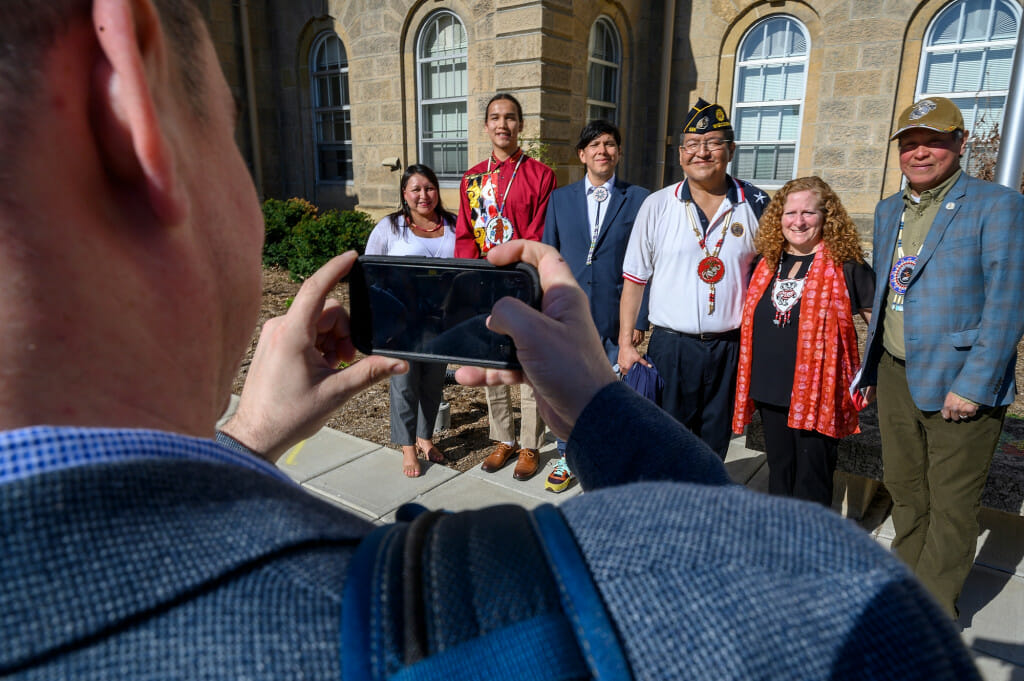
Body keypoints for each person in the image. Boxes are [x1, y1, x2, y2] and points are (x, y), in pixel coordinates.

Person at [0, 5, 983, 678]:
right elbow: (777, 576)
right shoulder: (472, 611)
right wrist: (601, 408)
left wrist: (238, 447)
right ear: (126, 98)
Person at [858, 96, 1024, 619]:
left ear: (959, 143)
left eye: (932, 141)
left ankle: (932, 616)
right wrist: (871, 367)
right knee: (906, 491)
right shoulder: (890, 210)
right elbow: (889, 292)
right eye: (910, 144)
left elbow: (1008, 301)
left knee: (951, 506)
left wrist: (975, 384)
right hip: (894, 372)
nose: (920, 153)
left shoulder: (996, 205)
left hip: (959, 381)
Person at [619, 98, 768, 458]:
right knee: (664, 438)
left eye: (714, 143)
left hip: (729, 348)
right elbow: (634, 281)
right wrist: (626, 343)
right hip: (671, 348)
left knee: (715, 442)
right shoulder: (657, 205)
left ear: (730, 150)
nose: (703, 152)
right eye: (692, 145)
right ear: (681, 154)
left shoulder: (758, 203)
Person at [731, 177, 874, 507]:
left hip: (819, 391)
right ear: (778, 217)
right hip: (770, 387)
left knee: (813, 474)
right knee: (780, 470)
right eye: (790, 212)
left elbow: (878, 324)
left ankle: (810, 544)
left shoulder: (847, 265)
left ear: (827, 216)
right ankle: (781, 539)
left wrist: (872, 374)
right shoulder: (765, 263)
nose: (798, 221)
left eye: (809, 212)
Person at [541, 119, 649, 492]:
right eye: (595, 145)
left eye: (610, 144)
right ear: (582, 155)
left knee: (610, 389)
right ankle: (566, 455)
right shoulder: (560, 199)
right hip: (567, 313)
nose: (603, 150)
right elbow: (548, 256)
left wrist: (640, 318)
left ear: (618, 152)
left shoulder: (640, 199)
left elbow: (651, 262)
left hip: (616, 314)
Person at [454, 92, 557, 480]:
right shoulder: (472, 179)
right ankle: (503, 438)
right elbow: (465, 236)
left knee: (528, 366)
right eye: (495, 117)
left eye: (510, 118)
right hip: (483, 287)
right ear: (485, 126)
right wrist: (470, 281)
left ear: (521, 125)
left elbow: (538, 233)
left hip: (523, 284)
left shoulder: (541, 175)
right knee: (492, 363)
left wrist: (517, 275)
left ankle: (530, 443)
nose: (503, 125)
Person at [365, 164, 455, 477]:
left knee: (432, 383)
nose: (423, 195)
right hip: (401, 322)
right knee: (404, 384)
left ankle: (425, 438)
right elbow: (371, 271)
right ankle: (407, 448)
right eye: (415, 189)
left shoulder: (454, 225)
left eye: (429, 188)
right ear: (404, 193)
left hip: (440, 321)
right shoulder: (390, 227)